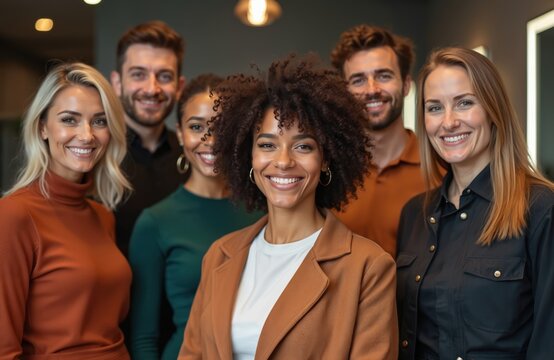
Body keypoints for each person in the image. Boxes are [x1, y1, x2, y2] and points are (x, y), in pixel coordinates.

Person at [179, 54, 398, 359]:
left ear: (325, 160)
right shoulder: (219, 255)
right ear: (248, 158)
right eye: (267, 145)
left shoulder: (368, 266)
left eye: (303, 146)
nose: (283, 161)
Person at [396, 47, 554, 359]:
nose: (449, 122)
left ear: (494, 109)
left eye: (464, 103)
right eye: (434, 108)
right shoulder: (414, 213)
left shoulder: (540, 208)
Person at [0, 62, 132, 359]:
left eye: (99, 121)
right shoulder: (13, 215)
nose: (86, 135)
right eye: (69, 120)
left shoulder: (102, 216)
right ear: (42, 127)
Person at [128, 73, 262, 360]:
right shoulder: (155, 222)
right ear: (179, 132)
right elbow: (143, 339)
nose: (210, 140)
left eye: (221, 127)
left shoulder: (267, 209)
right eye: (196, 126)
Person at [330, 24, 427, 257]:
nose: (372, 90)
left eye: (383, 76)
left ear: (405, 85)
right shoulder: (328, 171)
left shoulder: (440, 168)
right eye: (358, 80)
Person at [110, 20, 186, 257]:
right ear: (117, 83)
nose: (152, 89)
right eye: (138, 74)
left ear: (179, 86)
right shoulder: (95, 155)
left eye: (164, 76)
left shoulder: (196, 156)